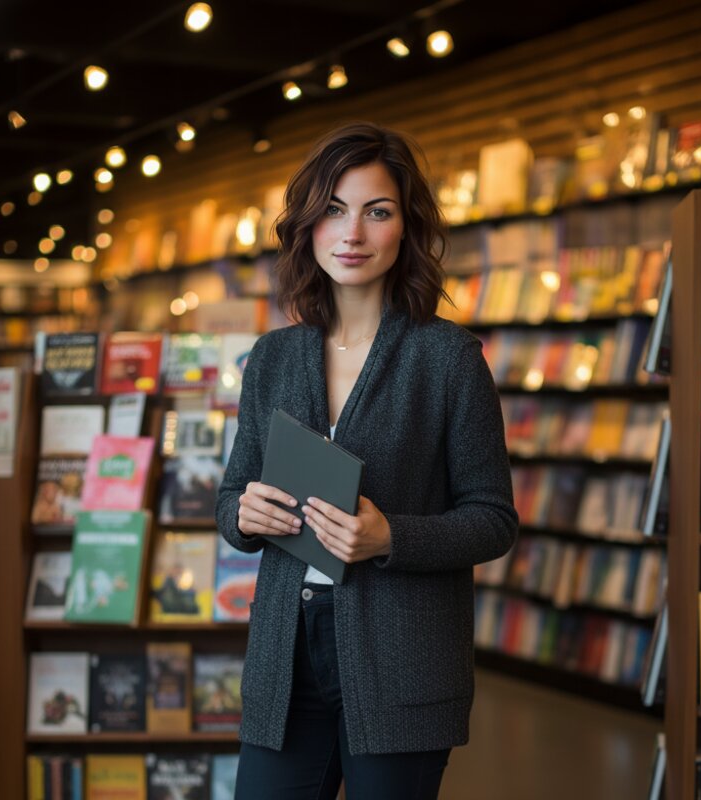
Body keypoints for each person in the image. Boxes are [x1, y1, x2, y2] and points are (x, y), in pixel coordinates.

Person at [215, 121, 518, 800]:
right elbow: (231, 495)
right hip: (284, 664)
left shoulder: (449, 360)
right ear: (307, 226)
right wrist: (243, 512)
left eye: (377, 212)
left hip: (402, 665)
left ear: (406, 227)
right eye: (332, 210)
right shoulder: (272, 358)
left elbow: (493, 519)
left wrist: (391, 537)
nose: (352, 233)